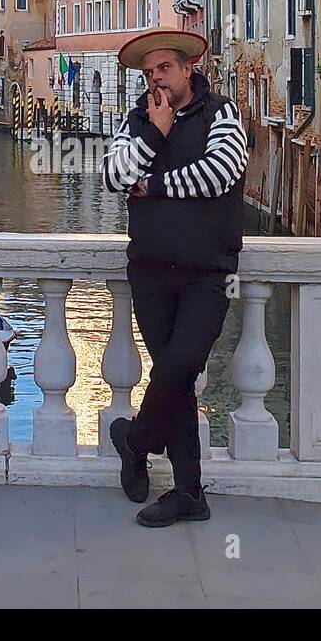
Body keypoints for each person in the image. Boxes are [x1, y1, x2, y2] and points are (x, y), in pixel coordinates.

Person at [101, 28, 248, 527]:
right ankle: (190, 493)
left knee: (180, 365)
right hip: (149, 273)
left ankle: (135, 440)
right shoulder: (139, 120)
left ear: (188, 69)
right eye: (147, 73)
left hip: (209, 273)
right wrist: (155, 133)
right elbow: (114, 177)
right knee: (177, 380)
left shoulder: (221, 113)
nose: (155, 79)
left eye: (164, 69)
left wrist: (155, 184)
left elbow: (220, 174)